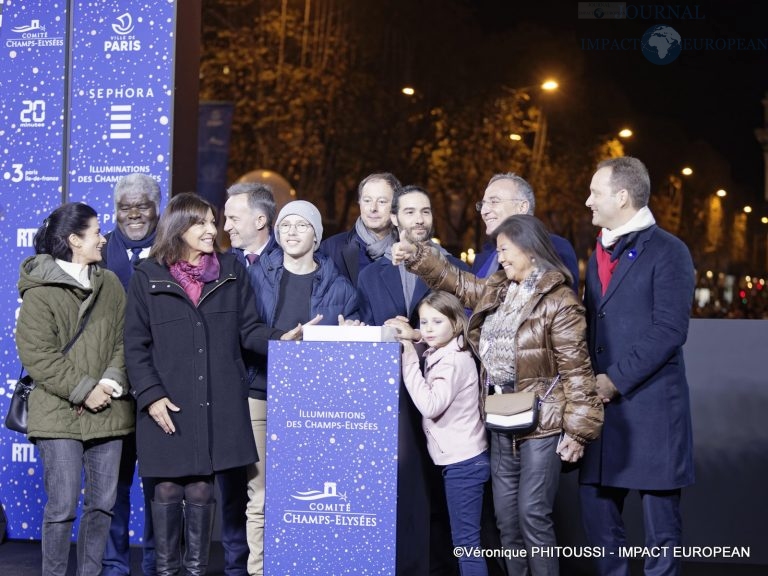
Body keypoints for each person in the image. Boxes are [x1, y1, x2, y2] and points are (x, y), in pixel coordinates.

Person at [391, 214, 604, 576]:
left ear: (530, 249)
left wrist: (578, 431)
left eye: (505, 250)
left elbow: (578, 371)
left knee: (532, 517)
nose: (500, 257)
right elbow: (454, 281)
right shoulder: (499, 289)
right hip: (501, 418)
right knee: (506, 523)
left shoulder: (561, 301)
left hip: (543, 423)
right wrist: (416, 256)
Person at [124, 193, 314, 576]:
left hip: (215, 403)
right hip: (166, 404)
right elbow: (134, 344)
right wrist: (151, 395)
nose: (213, 230)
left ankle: (195, 571)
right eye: (203, 223)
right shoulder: (148, 276)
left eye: (214, 222)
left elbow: (248, 329)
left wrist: (281, 339)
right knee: (165, 490)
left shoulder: (230, 269)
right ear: (179, 228)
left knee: (200, 490)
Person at [579, 157, 695, 575]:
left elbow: (669, 330)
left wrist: (613, 381)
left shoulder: (669, 251)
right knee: (598, 519)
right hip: (600, 411)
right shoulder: (596, 253)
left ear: (622, 197)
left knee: (661, 533)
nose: (587, 200)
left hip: (651, 410)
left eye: (595, 192)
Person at [16, 202, 134, 576]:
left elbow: (124, 340)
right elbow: (39, 355)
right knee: (62, 506)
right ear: (74, 240)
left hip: (110, 410)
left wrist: (111, 382)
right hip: (57, 412)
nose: (103, 238)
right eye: (97, 232)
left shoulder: (111, 283)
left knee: (102, 505)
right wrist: (85, 390)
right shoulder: (39, 291)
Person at [397, 291, 489, 576]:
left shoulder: (452, 361)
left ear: (456, 323)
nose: (428, 329)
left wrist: (409, 358)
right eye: (424, 322)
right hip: (460, 460)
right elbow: (429, 340)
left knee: (466, 545)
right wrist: (414, 336)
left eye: (437, 321)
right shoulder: (450, 350)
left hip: (464, 463)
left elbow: (430, 404)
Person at [101, 173, 161, 576]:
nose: (134, 214)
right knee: (110, 486)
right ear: (116, 211)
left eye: (142, 206)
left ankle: (160, 561)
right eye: (126, 207)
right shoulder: (98, 250)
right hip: (111, 390)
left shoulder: (175, 250)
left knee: (159, 485)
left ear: (157, 208)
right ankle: (113, 564)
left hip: (160, 389)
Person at [221, 182, 282, 576]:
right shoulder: (220, 265)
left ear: (260, 220)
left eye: (232, 218)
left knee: (266, 492)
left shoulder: (295, 262)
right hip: (228, 391)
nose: (224, 226)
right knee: (230, 491)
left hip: (274, 389)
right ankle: (233, 567)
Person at [357, 184, 468, 326]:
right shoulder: (369, 277)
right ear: (394, 218)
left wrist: (416, 336)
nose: (420, 220)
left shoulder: (458, 269)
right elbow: (368, 334)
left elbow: (465, 327)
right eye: (410, 212)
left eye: (425, 212)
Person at [249, 200, 360, 329]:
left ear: (315, 235)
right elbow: (244, 329)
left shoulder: (341, 288)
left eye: (301, 225)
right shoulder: (254, 276)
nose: (291, 232)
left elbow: (353, 334)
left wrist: (350, 332)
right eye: (285, 225)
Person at [472, 173, 579, 288]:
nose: (484, 211)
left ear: (522, 207)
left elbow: (557, 301)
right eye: (483, 204)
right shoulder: (485, 255)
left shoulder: (554, 247)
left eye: (494, 202)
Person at [319, 172, 401, 286]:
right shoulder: (330, 249)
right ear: (359, 203)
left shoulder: (409, 254)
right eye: (367, 200)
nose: (373, 208)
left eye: (382, 201)